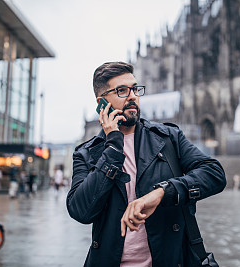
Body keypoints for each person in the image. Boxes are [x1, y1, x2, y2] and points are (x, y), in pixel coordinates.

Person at [66, 62, 226, 266]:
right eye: (122, 91)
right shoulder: (86, 153)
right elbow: (80, 210)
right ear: (102, 102)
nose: (132, 95)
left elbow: (215, 173)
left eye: (135, 88)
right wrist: (113, 147)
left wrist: (163, 192)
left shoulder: (168, 137)